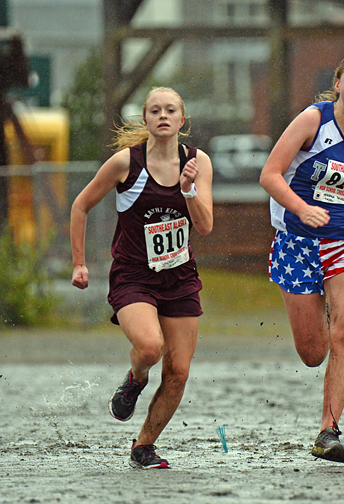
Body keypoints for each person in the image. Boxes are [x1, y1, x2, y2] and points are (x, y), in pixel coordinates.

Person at [260, 46, 344, 463]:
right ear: (338, 83)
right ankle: (320, 313)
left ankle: (328, 431)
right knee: (314, 352)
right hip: (297, 241)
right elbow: (269, 174)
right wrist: (301, 208)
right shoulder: (313, 120)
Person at [70, 86, 213, 469]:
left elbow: (205, 225)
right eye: (155, 110)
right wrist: (79, 263)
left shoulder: (198, 162)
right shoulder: (125, 164)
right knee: (151, 348)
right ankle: (135, 378)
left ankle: (143, 446)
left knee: (179, 371)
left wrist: (189, 189)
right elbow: (80, 205)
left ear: (182, 121)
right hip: (134, 276)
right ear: (146, 120)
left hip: (180, 278)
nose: (163, 116)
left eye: (170, 110)